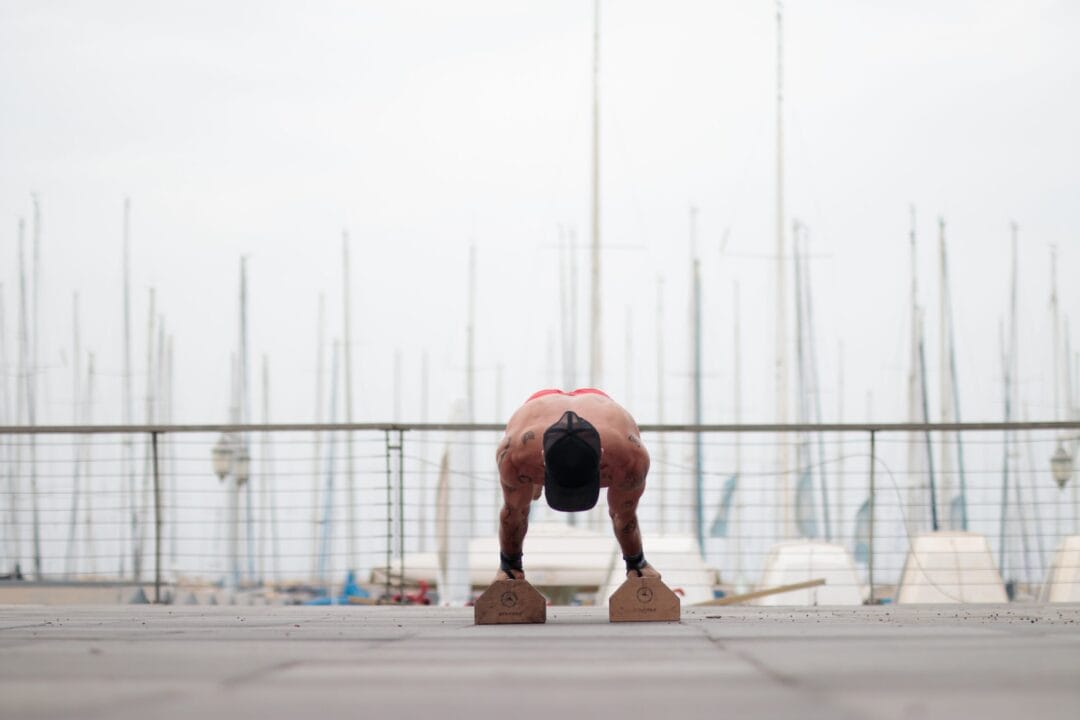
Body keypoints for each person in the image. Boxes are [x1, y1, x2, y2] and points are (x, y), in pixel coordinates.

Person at [494, 387, 660, 582]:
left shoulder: (630, 459)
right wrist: (509, 566)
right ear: (542, 459)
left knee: (526, 488)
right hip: (540, 409)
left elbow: (623, 513)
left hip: (598, 408)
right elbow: (515, 512)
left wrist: (636, 563)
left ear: (601, 457)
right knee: (524, 497)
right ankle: (535, 487)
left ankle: (536, 485)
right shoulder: (515, 456)